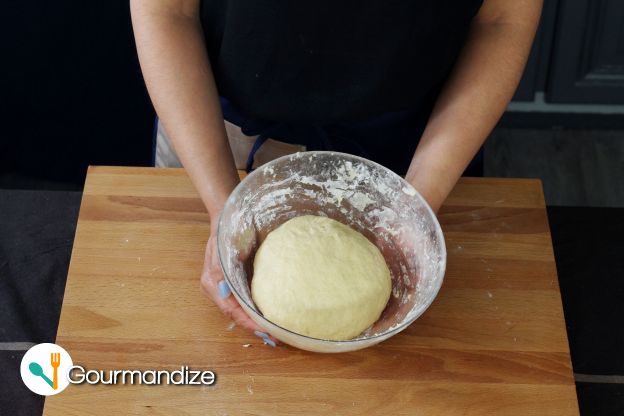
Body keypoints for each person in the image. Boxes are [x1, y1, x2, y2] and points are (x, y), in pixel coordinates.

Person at [130, 0, 542, 344]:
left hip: (423, 147)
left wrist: (413, 210)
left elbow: (501, 19)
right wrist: (224, 208)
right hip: (218, 135)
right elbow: (168, 12)